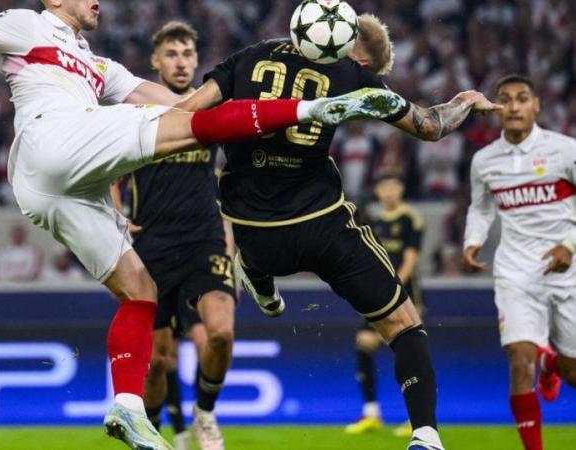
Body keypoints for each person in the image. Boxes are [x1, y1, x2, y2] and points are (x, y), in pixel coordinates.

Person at [0, 2, 412, 449]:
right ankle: (317, 109)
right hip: (52, 139)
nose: (100, 2)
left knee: (139, 290)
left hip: (52, 188)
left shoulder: (100, 67)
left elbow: (181, 104)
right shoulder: (26, 23)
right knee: (195, 131)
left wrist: (234, 102)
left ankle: (128, 407)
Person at [177, 12, 500, 450]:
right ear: (351, 46)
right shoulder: (351, 75)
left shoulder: (249, 57)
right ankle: (425, 435)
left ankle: (256, 269)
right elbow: (430, 126)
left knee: (255, 236)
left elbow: (185, 113)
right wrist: (463, 100)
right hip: (322, 224)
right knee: (404, 324)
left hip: (253, 227)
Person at [124, 21, 237, 450]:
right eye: (171, 54)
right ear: (155, 62)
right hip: (152, 244)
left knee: (221, 334)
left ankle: (204, 414)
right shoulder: (136, 112)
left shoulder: (209, 109)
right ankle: (151, 436)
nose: (181, 61)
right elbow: (101, 167)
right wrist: (115, 214)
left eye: (188, 54)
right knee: (155, 363)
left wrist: (230, 231)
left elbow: (230, 170)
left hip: (204, 238)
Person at [463, 74, 576, 450]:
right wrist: (473, 241)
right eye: (506, 99)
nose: (514, 106)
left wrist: (569, 245)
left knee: (572, 370)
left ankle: (552, 365)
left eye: (522, 98)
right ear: (497, 108)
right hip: (515, 271)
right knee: (519, 358)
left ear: (536, 105)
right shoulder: (484, 160)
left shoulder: (565, 151)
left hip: (568, 270)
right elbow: (480, 207)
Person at [345, 172, 424, 438]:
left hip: (403, 295)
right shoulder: (375, 221)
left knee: (407, 352)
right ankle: (371, 413)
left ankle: (418, 419)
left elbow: (411, 259)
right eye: (383, 186)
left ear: (401, 188)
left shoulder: (410, 217)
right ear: (377, 191)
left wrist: (393, 287)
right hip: (378, 295)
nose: (388, 191)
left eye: (393, 185)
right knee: (364, 344)